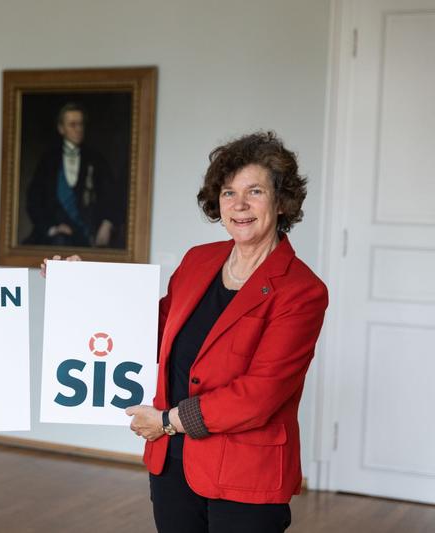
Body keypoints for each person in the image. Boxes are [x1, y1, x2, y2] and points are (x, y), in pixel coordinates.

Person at [44, 131, 327, 532]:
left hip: (246, 474)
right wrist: (80, 283)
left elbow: (259, 395)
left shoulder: (302, 290)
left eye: (255, 191)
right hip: (172, 465)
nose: (240, 205)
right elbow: (145, 330)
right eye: (228, 193)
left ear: (282, 201)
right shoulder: (198, 261)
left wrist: (167, 421)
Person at [24, 102, 120, 247]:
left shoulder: (95, 158)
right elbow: (34, 200)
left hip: (88, 235)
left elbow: (111, 195)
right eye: (73, 125)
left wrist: (107, 223)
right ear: (61, 128)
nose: (79, 129)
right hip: (58, 237)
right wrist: (52, 228)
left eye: (81, 124)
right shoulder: (49, 160)